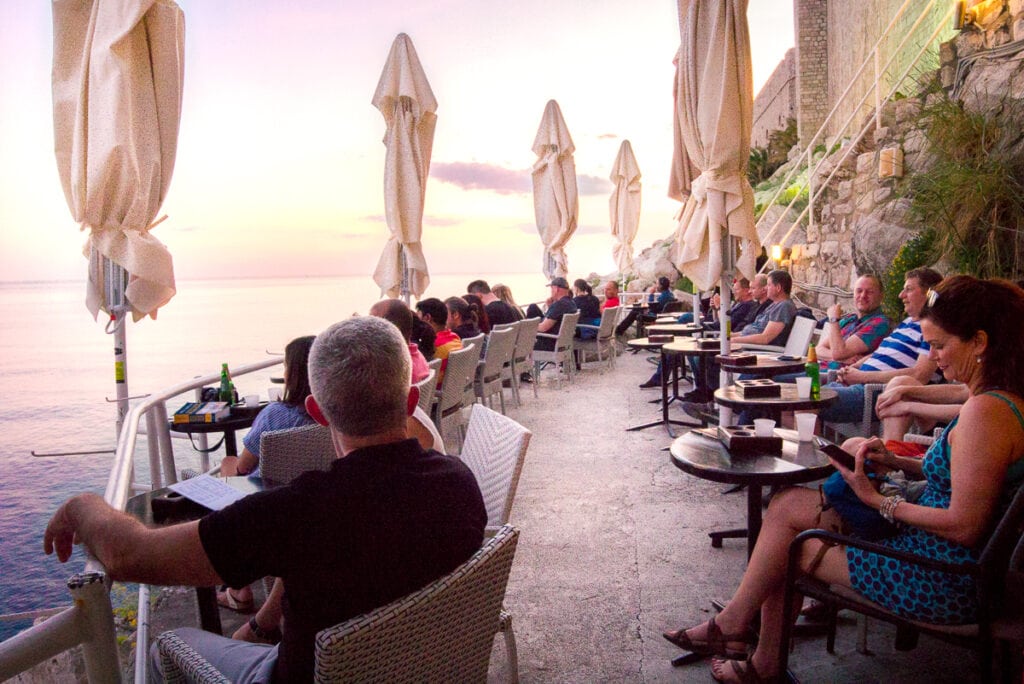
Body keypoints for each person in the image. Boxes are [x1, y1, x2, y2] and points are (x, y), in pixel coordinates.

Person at [44, 317, 486, 683]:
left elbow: (129, 555)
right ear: (411, 400)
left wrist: (83, 506)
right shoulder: (461, 484)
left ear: (316, 412)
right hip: (419, 666)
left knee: (166, 649)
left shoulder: (296, 516)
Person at [663, 275, 1024, 683]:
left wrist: (877, 501)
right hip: (943, 555)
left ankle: (747, 646)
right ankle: (738, 632)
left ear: (979, 342)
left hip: (943, 579)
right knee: (787, 504)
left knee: (788, 546)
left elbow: (966, 524)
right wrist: (895, 461)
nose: (935, 357)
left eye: (940, 345)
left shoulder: (985, 414)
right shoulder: (1001, 403)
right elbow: (969, 478)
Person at [816, 267, 944, 425]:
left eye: (909, 290)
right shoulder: (907, 323)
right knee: (798, 401)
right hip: (852, 382)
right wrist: (856, 366)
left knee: (803, 402)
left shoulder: (933, 328)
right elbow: (883, 352)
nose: (901, 295)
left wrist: (862, 376)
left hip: (873, 392)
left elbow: (920, 375)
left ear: (928, 293)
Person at [220, 336, 316, 481]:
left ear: (292, 374)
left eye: (285, 367)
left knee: (228, 461)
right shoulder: (334, 417)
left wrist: (229, 465)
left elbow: (243, 467)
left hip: (261, 494)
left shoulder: (274, 415)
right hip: (305, 492)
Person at [815, 275, 891, 369]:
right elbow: (817, 350)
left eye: (870, 292)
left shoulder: (879, 323)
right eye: (859, 291)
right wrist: (842, 359)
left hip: (838, 378)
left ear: (881, 296)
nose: (863, 296)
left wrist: (833, 320)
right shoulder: (849, 319)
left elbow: (839, 353)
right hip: (818, 371)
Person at [370, 298, 430, 383]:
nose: (367, 329)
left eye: (372, 324)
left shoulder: (397, 370)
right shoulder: (414, 354)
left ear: (391, 329)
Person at [415, 298, 463, 381]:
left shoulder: (434, 345)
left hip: (436, 389)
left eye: (418, 316)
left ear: (427, 318)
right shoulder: (454, 337)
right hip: (454, 386)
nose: (417, 321)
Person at [526, 277, 579, 351]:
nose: (551, 291)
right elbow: (556, 319)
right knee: (533, 307)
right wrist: (550, 307)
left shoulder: (559, 305)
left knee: (521, 344)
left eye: (551, 288)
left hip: (550, 343)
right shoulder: (571, 303)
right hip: (561, 342)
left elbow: (543, 328)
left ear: (556, 289)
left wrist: (526, 328)